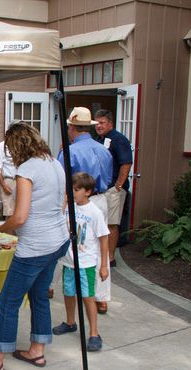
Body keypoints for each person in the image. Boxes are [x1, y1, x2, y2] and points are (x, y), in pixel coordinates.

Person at [0, 122, 69, 370]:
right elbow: (62, 201)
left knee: (8, 302)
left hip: (36, 247)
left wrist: (1, 226)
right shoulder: (54, 163)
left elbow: (20, 217)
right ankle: (37, 350)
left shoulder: (27, 169)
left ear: (16, 146)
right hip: (58, 241)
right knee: (39, 296)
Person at [57, 107, 113, 315]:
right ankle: (102, 297)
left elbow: (63, 183)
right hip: (100, 199)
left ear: (72, 127)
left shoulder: (69, 152)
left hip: (77, 202)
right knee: (100, 246)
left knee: (72, 244)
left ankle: (55, 286)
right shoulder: (103, 149)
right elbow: (109, 176)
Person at [52, 172, 109, 352]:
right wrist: (66, 199)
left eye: (77, 190)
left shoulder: (94, 212)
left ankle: (94, 332)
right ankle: (70, 322)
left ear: (88, 192)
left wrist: (104, 265)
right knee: (69, 292)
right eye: (72, 189)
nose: (74, 193)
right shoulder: (70, 206)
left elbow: (104, 238)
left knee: (87, 297)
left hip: (86, 263)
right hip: (69, 261)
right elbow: (58, 217)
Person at [94, 109, 133, 268]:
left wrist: (118, 186)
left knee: (111, 223)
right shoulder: (99, 139)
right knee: (101, 222)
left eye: (102, 123)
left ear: (110, 123)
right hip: (101, 189)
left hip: (113, 189)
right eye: (96, 123)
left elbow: (126, 163)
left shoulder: (119, 139)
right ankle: (100, 255)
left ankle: (110, 257)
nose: (99, 126)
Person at [0, 138, 17, 219]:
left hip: (23, 180)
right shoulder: (1, 146)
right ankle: (9, 231)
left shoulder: (24, 145)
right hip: (9, 180)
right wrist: (4, 186)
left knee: (21, 212)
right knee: (10, 213)